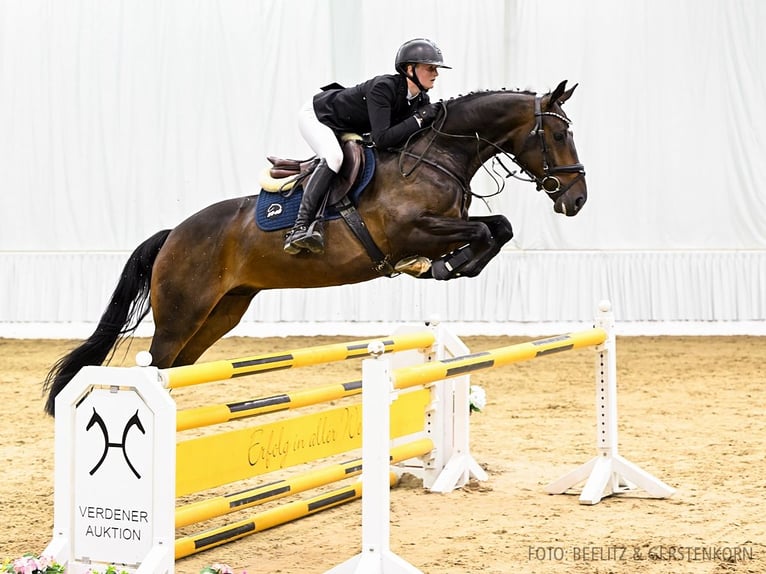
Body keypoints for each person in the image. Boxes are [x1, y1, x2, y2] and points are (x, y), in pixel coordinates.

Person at [283, 38, 451, 255]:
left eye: (436, 69)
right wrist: (420, 119)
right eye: (430, 68)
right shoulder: (384, 87)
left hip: (347, 124)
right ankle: (299, 227)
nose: (436, 74)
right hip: (318, 116)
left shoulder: (420, 100)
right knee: (334, 157)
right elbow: (382, 138)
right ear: (410, 69)